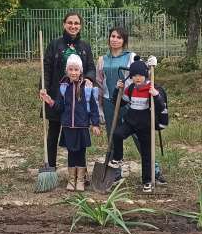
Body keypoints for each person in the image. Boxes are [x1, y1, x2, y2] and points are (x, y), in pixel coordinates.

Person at [39, 12, 97, 185]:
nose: (73, 26)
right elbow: (46, 69)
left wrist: (89, 78)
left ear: (80, 26)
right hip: (59, 97)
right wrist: (43, 87)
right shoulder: (55, 45)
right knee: (53, 133)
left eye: (76, 23)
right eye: (70, 23)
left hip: (78, 101)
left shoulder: (85, 47)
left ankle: (81, 173)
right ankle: (51, 169)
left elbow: (91, 68)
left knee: (79, 137)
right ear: (64, 24)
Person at [40, 54, 101, 191]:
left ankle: (80, 179)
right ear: (67, 71)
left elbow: (93, 107)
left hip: (82, 126)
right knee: (71, 153)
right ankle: (71, 179)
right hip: (68, 126)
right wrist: (50, 100)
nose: (73, 72)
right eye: (71, 69)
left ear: (81, 71)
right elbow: (60, 107)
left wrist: (95, 124)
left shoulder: (87, 87)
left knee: (81, 153)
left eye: (76, 69)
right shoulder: (63, 87)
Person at [108, 60, 165, 193]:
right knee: (117, 134)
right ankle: (118, 158)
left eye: (140, 75)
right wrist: (118, 89)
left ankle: (147, 181)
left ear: (145, 75)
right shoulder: (131, 88)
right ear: (131, 77)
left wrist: (156, 95)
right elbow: (120, 103)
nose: (137, 78)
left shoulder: (151, 89)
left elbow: (161, 106)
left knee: (146, 154)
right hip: (130, 122)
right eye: (134, 75)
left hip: (145, 126)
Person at [95, 27, 136, 134]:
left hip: (127, 100)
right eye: (113, 36)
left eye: (119, 37)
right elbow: (99, 83)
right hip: (108, 101)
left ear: (124, 41)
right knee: (112, 132)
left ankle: (146, 151)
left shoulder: (131, 57)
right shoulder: (102, 60)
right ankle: (113, 151)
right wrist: (99, 106)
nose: (115, 39)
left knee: (136, 130)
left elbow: (143, 76)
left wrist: (149, 67)